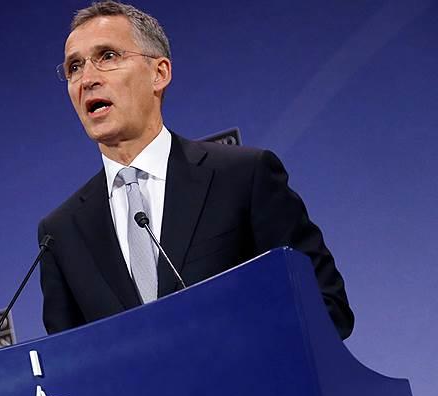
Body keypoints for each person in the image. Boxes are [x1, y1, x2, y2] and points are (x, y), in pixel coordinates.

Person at [38, 1, 354, 339]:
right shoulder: (61, 233)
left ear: (159, 73)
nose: (87, 79)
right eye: (74, 67)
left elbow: (326, 307)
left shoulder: (243, 176)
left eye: (108, 56)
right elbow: (67, 362)